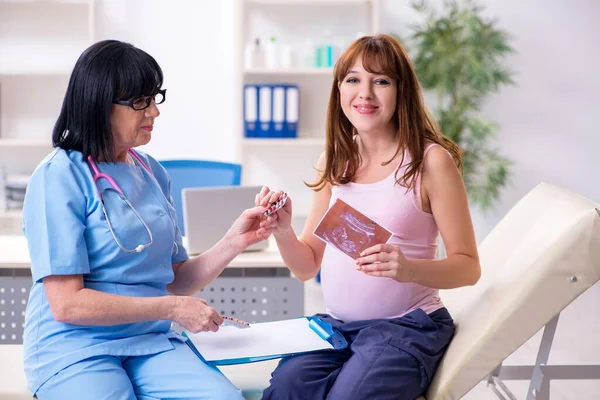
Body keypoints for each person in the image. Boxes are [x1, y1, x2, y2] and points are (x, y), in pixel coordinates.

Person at [22, 40, 276, 399]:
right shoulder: (57, 177)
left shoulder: (151, 171)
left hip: (148, 339)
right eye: (140, 101)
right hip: (74, 347)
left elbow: (175, 280)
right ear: (99, 104)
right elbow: (68, 304)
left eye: (155, 98)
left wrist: (237, 239)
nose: (154, 112)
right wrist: (172, 308)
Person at [257, 34, 481, 400]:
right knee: (286, 388)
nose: (365, 93)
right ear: (339, 90)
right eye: (353, 79)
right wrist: (283, 232)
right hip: (338, 329)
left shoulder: (430, 162)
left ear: (401, 91)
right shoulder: (334, 160)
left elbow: (469, 267)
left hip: (407, 327)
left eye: (381, 81)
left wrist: (410, 270)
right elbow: (306, 265)